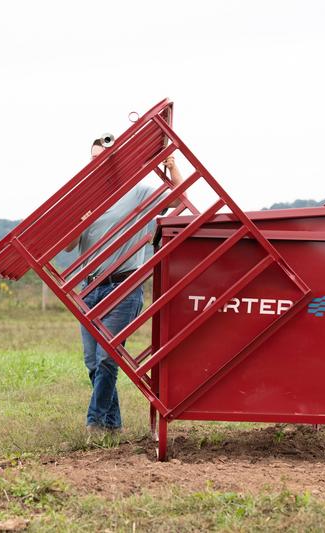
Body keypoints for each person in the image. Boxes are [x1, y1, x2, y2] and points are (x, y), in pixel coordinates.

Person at [66, 137, 186, 437]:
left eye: (103, 157)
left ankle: (93, 424)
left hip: (123, 286)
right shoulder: (84, 199)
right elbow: (68, 245)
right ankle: (113, 425)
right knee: (93, 363)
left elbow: (178, 198)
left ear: (116, 162)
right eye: (93, 158)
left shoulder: (138, 192)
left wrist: (172, 166)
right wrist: (79, 222)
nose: (97, 163)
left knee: (109, 358)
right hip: (89, 289)